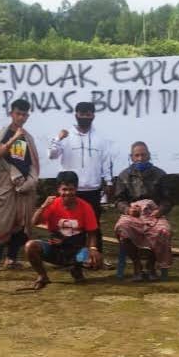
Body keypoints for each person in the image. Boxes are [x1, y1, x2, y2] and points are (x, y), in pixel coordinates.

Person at [48, 101, 114, 254]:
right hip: (70, 190)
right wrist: (58, 139)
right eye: (82, 114)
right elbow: (52, 155)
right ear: (76, 115)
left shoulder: (101, 139)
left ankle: (94, 258)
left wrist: (109, 182)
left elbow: (105, 162)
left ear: (93, 116)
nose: (85, 117)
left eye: (88, 114)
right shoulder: (65, 136)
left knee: (93, 225)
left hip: (92, 189)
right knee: (66, 224)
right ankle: (63, 256)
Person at [23, 171, 102, 290]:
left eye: (71, 189)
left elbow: (92, 233)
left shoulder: (86, 207)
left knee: (96, 261)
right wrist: (43, 206)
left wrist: (93, 249)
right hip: (55, 250)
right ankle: (42, 276)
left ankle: (76, 268)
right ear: (58, 190)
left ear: (76, 189)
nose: (68, 193)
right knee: (30, 246)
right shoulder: (52, 204)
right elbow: (34, 222)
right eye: (64, 189)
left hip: (76, 252)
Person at [0, 99, 40, 271]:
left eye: (25, 114)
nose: (21, 117)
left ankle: (10, 259)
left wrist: (29, 179)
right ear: (11, 114)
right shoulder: (4, 133)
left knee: (22, 222)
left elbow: (31, 161)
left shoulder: (28, 136)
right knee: (2, 222)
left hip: (24, 186)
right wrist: (14, 138)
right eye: (18, 113)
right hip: (5, 186)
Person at [113, 141, 172, 281]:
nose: (140, 158)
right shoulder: (123, 176)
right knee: (122, 228)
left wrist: (160, 211)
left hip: (154, 214)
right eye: (137, 155)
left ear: (149, 156)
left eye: (143, 155)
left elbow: (168, 200)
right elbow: (118, 200)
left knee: (163, 231)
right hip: (133, 214)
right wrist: (128, 209)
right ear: (131, 157)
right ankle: (137, 266)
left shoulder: (160, 174)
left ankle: (151, 266)